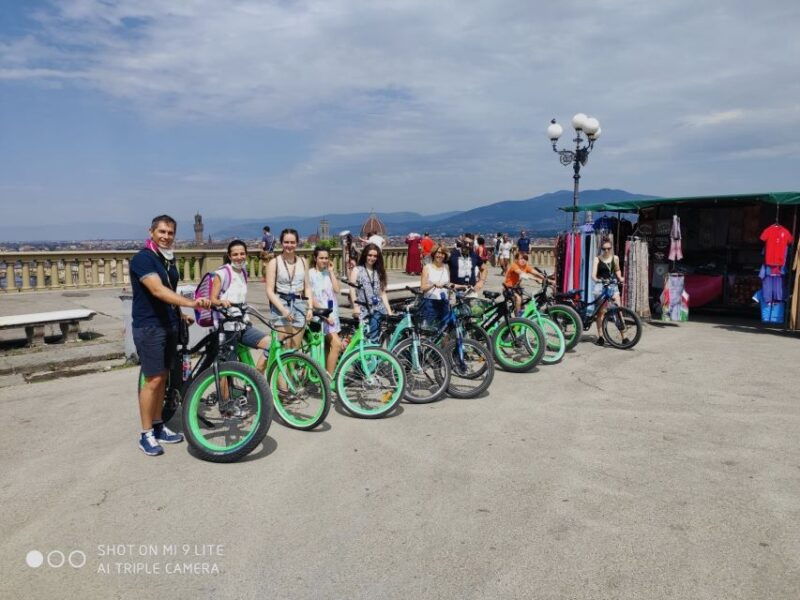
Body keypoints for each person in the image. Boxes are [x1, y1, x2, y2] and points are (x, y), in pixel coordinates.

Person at [130, 215, 211, 456]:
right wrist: (192, 304)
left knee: (163, 377)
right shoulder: (143, 259)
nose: (166, 236)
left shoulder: (167, 259)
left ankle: (157, 425)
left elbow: (170, 290)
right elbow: (157, 290)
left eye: (170, 233)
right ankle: (145, 434)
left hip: (169, 324)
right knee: (152, 380)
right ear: (151, 231)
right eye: (162, 232)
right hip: (149, 326)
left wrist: (180, 313)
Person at [210, 239, 270, 372]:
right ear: (230, 256)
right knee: (227, 368)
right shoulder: (222, 273)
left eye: (242, 254)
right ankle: (224, 394)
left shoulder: (243, 272)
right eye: (235, 254)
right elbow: (212, 299)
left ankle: (255, 379)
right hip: (227, 328)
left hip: (242, 325)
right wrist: (221, 302)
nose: (239, 257)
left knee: (270, 344)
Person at [265, 228, 313, 350]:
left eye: (292, 242)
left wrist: (310, 308)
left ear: (297, 243)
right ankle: (279, 369)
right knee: (284, 346)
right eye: (286, 242)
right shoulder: (274, 263)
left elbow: (307, 287)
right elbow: (269, 291)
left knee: (295, 347)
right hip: (281, 303)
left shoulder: (303, 261)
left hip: (299, 304)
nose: (289, 245)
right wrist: (282, 310)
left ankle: (291, 370)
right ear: (281, 243)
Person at [308, 246, 342, 375]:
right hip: (321, 316)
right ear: (315, 258)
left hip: (333, 314)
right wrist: (324, 313)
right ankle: (329, 378)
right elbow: (311, 297)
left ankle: (325, 374)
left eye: (327, 258)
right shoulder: (310, 274)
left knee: (329, 346)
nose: (324, 260)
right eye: (321, 258)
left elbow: (337, 290)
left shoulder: (328, 273)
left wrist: (332, 272)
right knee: (337, 344)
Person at [350, 243, 393, 342]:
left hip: (378, 308)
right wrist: (355, 307)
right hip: (363, 308)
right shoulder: (357, 270)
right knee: (364, 336)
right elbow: (352, 290)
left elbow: (382, 293)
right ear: (365, 255)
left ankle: (375, 354)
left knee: (375, 336)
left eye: (375, 256)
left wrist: (389, 311)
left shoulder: (379, 271)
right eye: (370, 255)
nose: (372, 258)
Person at [592, 238, 625, 346]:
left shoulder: (615, 258)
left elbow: (617, 270)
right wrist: (597, 279)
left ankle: (624, 337)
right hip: (600, 286)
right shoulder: (597, 259)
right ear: (601, 249)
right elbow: (593, 274)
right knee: (601, 313)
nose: (606, 251)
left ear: (611, 248)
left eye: (608, 249)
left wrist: (620, 277)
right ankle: (600, 336)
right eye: (604, 249)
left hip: (613, 286)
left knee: (618, 310)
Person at [503, 251, 546, 316]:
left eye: (525, 259)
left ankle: (521, 314)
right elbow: (522, 274)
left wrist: (545, 278)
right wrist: (536, 279)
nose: (523, 261)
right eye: (521, 259)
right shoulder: (514, 265)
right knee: (518, 299)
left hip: (516, 288)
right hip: (508, 288)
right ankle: (518, 317)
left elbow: (535, 272)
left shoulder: (525, 266)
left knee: (525, 300)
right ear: (516, 259)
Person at [420, 244, 450, 328]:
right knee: (428, 329)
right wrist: (433, 285)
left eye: (442, 253)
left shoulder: (446, 267)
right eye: (438, 252)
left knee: (443, 329)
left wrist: (462, 286)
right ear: (434, 254)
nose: (440, 255)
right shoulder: (427, 268)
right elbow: (422, 288)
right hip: (430, 303)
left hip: (444, 302)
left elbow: (448, 284)